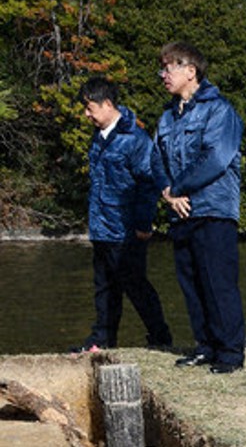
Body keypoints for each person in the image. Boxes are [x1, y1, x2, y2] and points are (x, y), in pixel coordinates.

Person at [151, 42, 246, 375]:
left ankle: (230, 353)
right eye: (162, 69)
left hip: (213, 210)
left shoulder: (220, 111)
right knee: (191, 285)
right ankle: (205, 347)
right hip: (180, 212)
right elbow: (156, 159)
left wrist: (177, 188)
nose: (163, 75)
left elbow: (216, 159)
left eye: (168, 68)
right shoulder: (167, 116)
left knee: (218, 284)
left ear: (190, 71)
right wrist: (168, 193)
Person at [72, 77, 173, 353]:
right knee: (104, 287)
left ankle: (160, 336)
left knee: (136, 285)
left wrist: (142, 223)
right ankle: (102, 339)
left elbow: (148, 183)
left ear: (107, 104)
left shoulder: (135, 140)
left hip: (126, 229)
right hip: (101, 226)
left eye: (90, 108)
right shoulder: (98, 139)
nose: (87, 114)